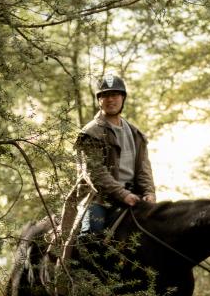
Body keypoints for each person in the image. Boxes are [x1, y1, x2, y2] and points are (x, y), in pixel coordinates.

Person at [61, 75, 156, 248]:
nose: (111, 99)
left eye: (115, 94)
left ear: (123, 98)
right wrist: (123, 195)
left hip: (134, 197)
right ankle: (74, 273)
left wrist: (149, 192)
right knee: (92, 236)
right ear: (99, 100)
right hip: (99, 198)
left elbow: (143, 169)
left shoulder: (136, 134)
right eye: (105, 95)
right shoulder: (90, 133)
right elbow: (95, 173)